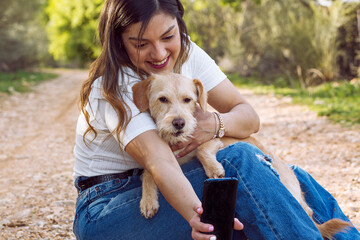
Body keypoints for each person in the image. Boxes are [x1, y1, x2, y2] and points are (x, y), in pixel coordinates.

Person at [72, 0, 360, 239]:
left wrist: (215, 124)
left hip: (177, 182)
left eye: (168, 36)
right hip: (108, 209)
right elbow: (160, 162)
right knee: (242, 160)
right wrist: (194, 218)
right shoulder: (115, 86)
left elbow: (248, 116)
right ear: (119, 42)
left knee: (282, 171)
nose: (160, 53)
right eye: (140, 43)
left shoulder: (185, 53)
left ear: (179, 28)